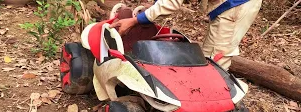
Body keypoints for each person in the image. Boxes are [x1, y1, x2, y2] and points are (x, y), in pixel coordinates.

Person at [109, 0, 262, 70]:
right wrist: (155, 6)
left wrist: (136, 20)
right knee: (210, 54)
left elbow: (171, 3)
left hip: (236, 6)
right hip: (232, 5)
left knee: (214, 60)